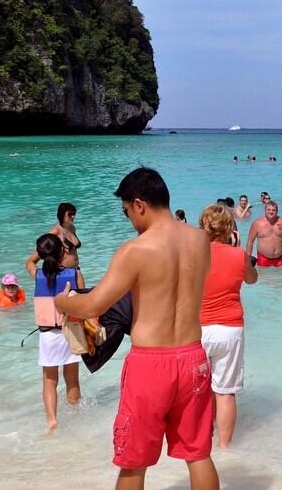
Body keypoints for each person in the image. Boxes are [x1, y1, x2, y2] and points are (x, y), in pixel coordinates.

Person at [54, 167, 219, 490]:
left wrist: (62, 302)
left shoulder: (136, 250)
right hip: (193, 359)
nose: (129, 219)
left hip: (151, 364)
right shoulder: (200, 240)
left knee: (134, 462)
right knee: (198, 454)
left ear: (140, 204)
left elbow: (93, 306)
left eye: (127, 211)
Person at [198, 203, 258, 448]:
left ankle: (203, 441)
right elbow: (253, 278)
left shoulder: (193, 255)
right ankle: (225, 447)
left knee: (202, 391)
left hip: (198, 328)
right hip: (230, 327)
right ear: (229, 228)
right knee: (225, 392)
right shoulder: (238, 255)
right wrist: (238, 248)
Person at [28, 233, 84, 430]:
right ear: (62, 251)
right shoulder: (74, 273)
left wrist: (44, 250)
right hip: (70, 332)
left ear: (42, 254)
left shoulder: (37, 275)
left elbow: (30, 261)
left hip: (48, 336)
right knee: (72, 379)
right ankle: (76, 416)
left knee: (49, 380)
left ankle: (52, 419)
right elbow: (84, 301)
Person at [246, 201, 282, 267]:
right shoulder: (257, 223)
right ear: (265, 210)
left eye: (273, 210)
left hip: (280, 258)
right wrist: (248, 259)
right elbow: (250, 242)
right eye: (269, 210)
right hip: (263, 258)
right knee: (265, 277)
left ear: (277, 211)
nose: (271, 212)